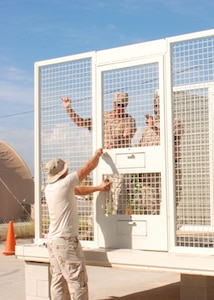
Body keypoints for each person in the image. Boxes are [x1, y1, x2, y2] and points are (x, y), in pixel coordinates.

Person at [44, 149, 111, 300]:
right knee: (78, 283)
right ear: (63, 172)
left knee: (58, 281)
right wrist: (97, 154)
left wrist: (99, 188)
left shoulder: (50, 188)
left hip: (53, 242)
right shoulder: (65, 183)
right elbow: (87, 167)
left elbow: (78, 190)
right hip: (66, 242)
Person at [61, 92, 137, 214]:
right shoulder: (103, 117)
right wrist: (68, 108)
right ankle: (94, 228)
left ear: (126, 105)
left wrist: (115, 144)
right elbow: (81, 122)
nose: (119, 107)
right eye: (117, 104)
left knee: (119, 197)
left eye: (122, 105)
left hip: (119, 165)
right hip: (102, 163)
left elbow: (127, 135)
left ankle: (119, 226)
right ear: (113, 104)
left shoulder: (129, 120)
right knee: (99, 198)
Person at [138, 89, 183, 214]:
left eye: (159, 105)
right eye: (155, 105)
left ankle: (169, 231)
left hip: (169, 166)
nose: (157, 108)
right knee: (149, 203)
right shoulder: (148, 126)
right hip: (150, 169)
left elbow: (172, 139)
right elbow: (141, 145)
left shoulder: (174, 122)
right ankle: (154, 231)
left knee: (170, 201)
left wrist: (154, 127)